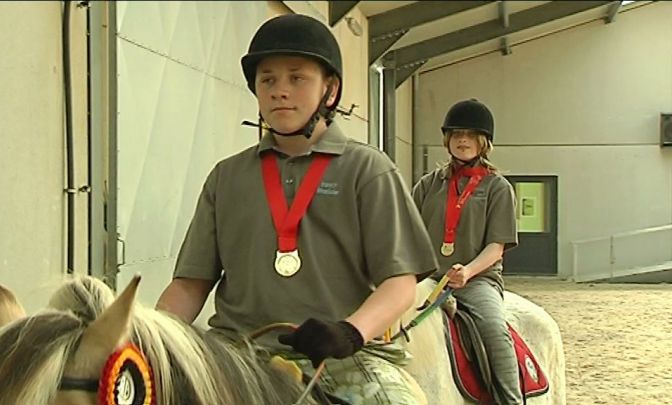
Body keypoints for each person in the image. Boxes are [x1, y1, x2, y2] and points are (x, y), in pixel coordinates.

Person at [156, 14, 437, 404]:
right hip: (234, 356)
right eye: (267, 79)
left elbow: (400, 283)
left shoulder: (368, 170)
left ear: (330, 90)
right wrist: (148, 336)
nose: (279, 91)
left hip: (339, 357)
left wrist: (350, 332)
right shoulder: (226, 177)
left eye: (297, 77)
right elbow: (190, 285)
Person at [411, 99, 522, 404]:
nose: (463, 140)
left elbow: (496, 247)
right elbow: (410, 235)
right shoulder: (427, 185)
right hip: (430, 279)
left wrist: (468, 272)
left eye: (471, 135)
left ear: (483, 142)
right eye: (457, 134)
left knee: (495, 331)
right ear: (448, 139)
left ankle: (510, 400)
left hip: (477, 281)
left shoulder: (498, 188)